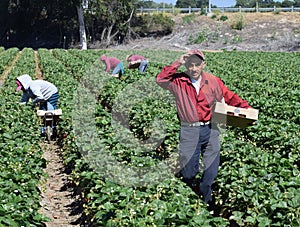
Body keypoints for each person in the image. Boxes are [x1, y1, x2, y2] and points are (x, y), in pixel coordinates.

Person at [156, 49, 252, 210]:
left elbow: (229, 96)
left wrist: (247, 110)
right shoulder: (178, 82)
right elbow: (160, 79)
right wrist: (177, 62)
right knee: (188, 172)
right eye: (190, 65)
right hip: (189, 131)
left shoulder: (213, 81)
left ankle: (207, 202)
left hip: (210, 128)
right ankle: (188, 194)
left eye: (197, 65)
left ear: (203, 65)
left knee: (211, 170)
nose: (194, 68)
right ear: (186, 66)